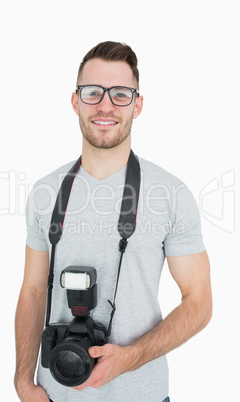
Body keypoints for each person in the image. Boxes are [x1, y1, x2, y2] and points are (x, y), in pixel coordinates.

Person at [14, 41, 212, 402]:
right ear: (75, 101)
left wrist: (130, 358)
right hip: (55, 394)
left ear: (138, 105)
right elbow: (32, 290)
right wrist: (23, 381)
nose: (105, 105)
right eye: (93, 92)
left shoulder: (170, 193)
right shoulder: (45, 193)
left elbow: (199, 302)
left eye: (120, 94)